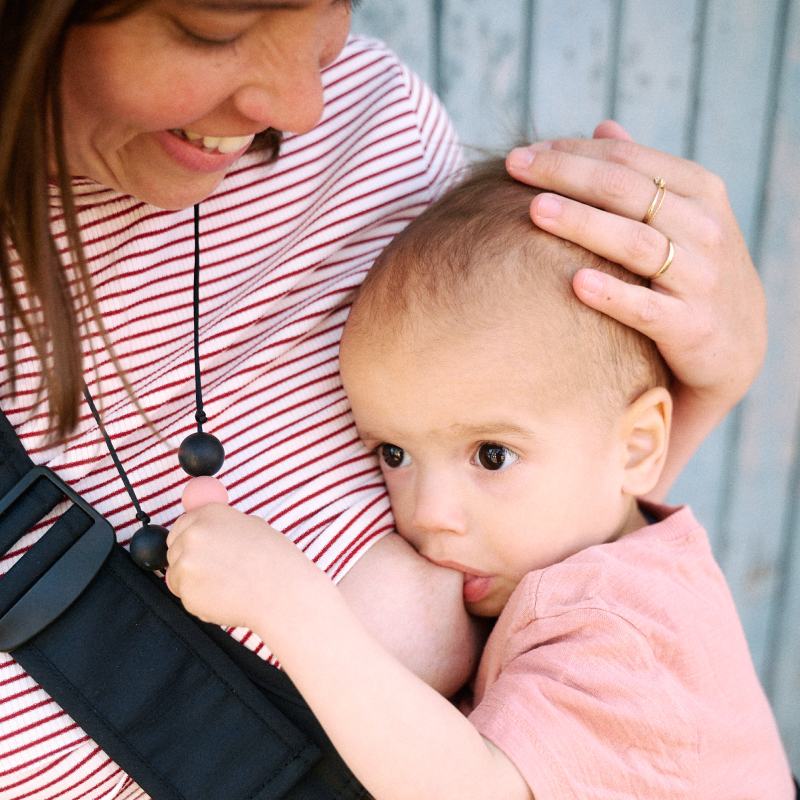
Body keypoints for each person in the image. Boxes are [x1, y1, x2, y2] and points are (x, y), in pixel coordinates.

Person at [0, 0, 768, 796]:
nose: (304, 108)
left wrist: (296, 611)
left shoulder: (622, 626)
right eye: (216, 29)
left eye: (334, 8)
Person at [166, 159, 794, 799]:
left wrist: (287, 605)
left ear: (636, 446)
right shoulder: (608, 560)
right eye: (394, 454)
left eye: (492, 455)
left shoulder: (621, 630)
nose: (429, 512)